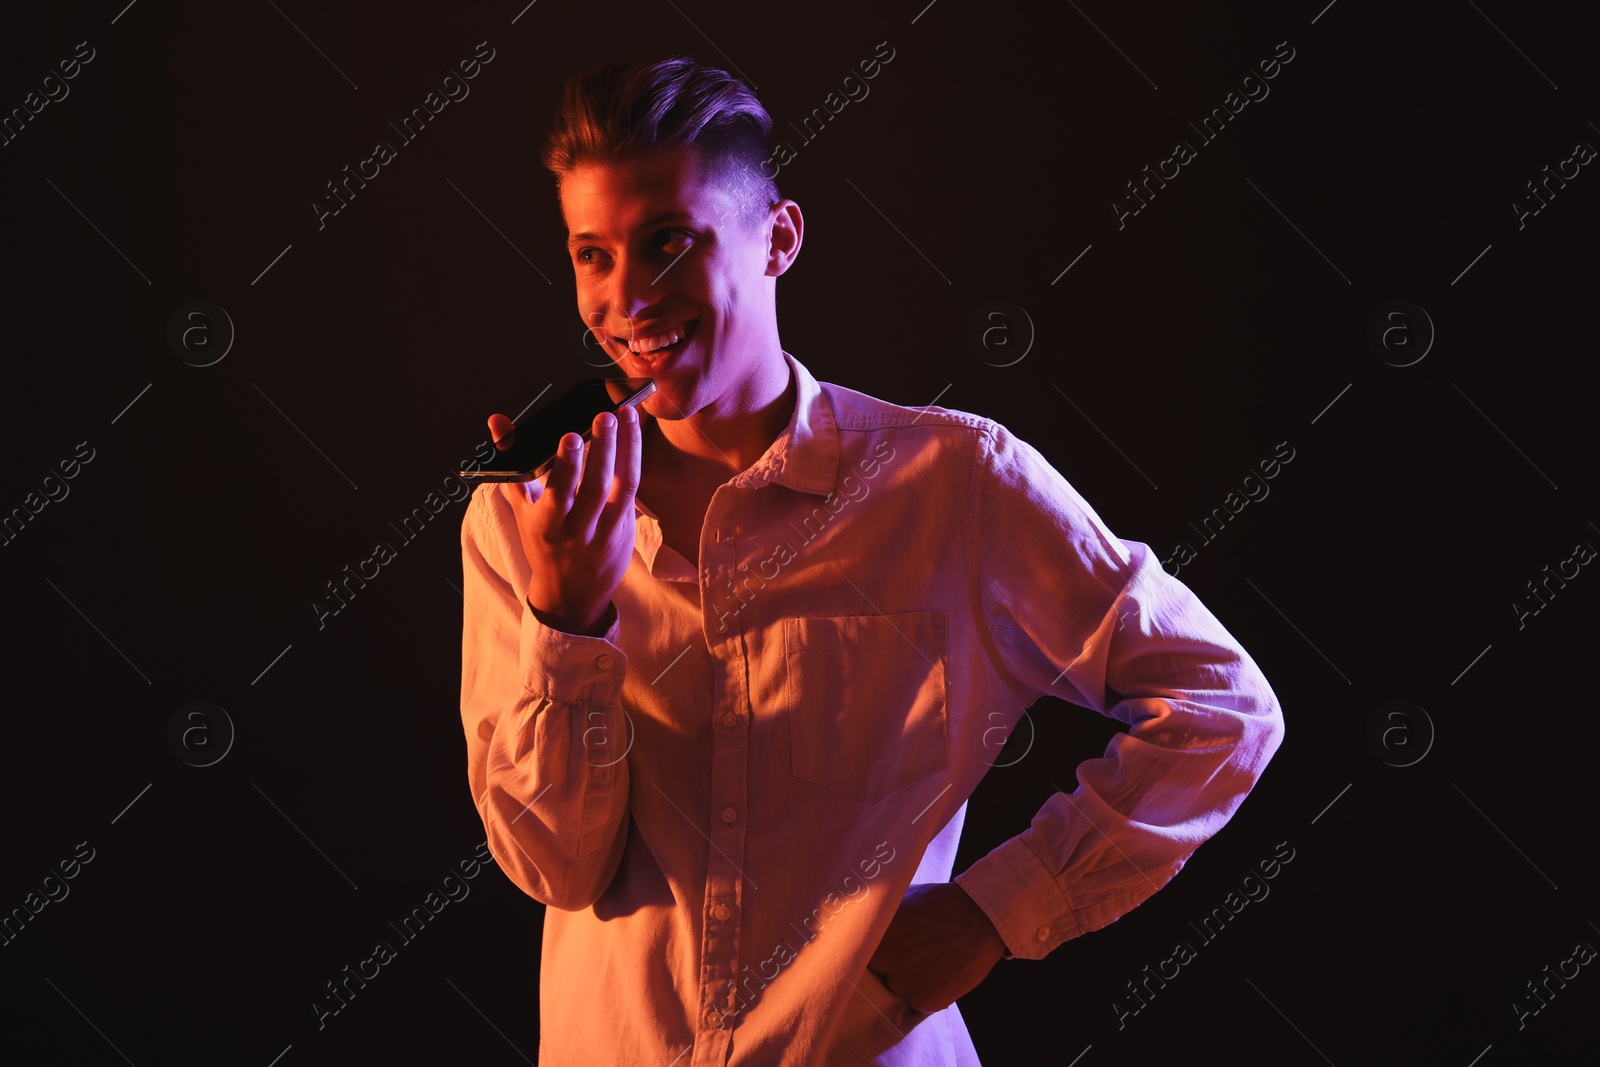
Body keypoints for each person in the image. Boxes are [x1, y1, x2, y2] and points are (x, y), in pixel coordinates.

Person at [457, 54, 1285, 1066]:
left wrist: (996, 910)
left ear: (779, 238)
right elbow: (556, 865)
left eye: (668, 242)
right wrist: (566, 626)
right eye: (592, 253)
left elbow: (1221, 708)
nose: (626, 296)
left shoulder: (953, 484)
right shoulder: (526, 516)